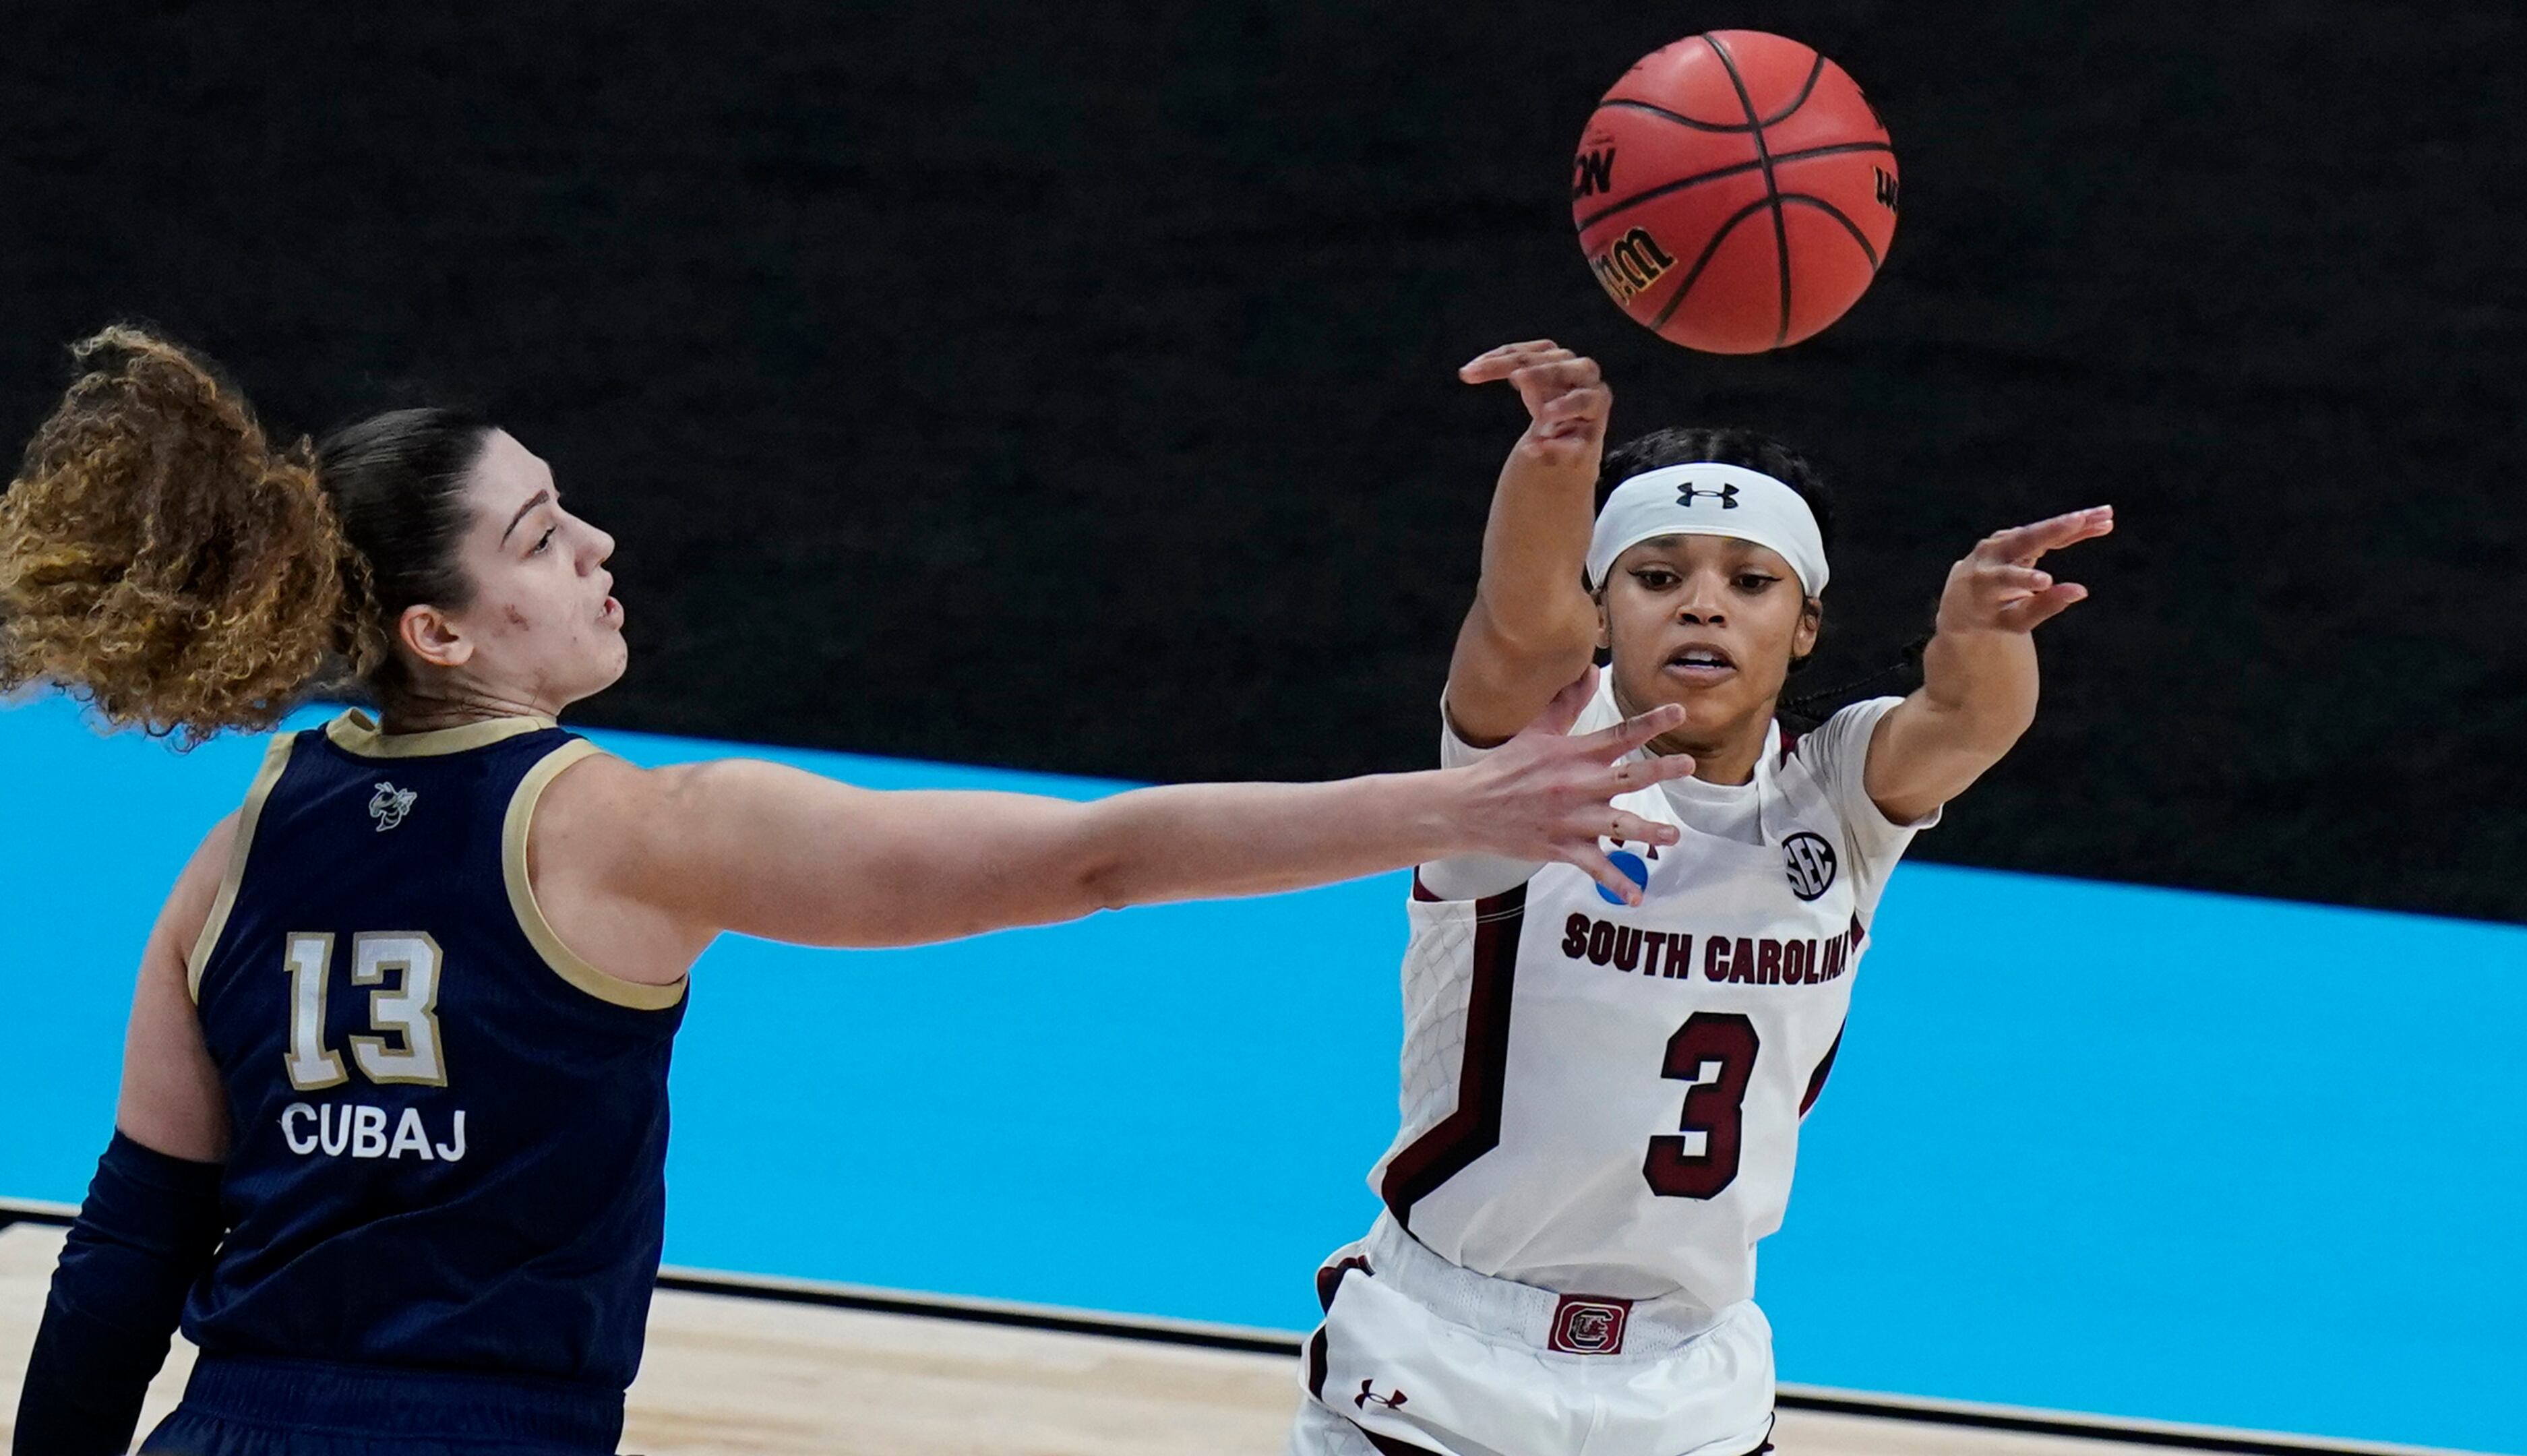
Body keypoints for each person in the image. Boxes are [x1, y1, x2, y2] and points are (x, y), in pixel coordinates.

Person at [0, 326, 1699, 1456]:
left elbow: (132, 1248)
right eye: (536, 536)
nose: (593, 540)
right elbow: (1092, 857)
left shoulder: (236, 848)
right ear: (438, 634)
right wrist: (1466, 801)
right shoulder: (624, 828)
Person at [1287, 340, 2112, 1456]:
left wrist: (1983, 633)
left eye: (1751, 581)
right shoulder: (1526, 767)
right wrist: (1555, 463)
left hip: (1689, 1386)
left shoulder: (1837, 799)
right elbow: (1520, 623)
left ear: (1805, 623)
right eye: (1659, 576)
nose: (1704, 609)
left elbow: (1966, 722)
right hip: (1442, 1360)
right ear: (1602, 609)